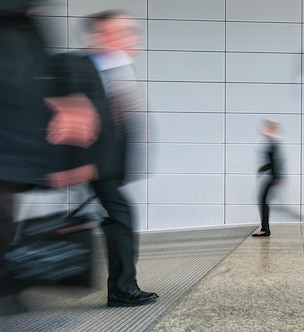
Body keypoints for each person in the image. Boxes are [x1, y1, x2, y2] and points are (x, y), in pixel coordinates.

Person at [49, 10, 157, 307]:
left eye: (130, 31)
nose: (130, 37)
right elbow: (65, 114)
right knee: (120, 218)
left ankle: (122, 287)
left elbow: (124, 117)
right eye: (120, 31)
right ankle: (122, 289)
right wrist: (75, 164)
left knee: (117, 218)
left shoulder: (120, 68)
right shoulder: (75, 66)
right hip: (90, 164)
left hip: (107, 166)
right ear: (97, 36)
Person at [0, 0, 56, 314]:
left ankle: (6, 292)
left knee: (7, 220)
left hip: (14, 150)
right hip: (9, 147)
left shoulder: (26, 26)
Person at [252, 120, 283, 237]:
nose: (262, 130)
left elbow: (276, 161)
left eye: (266, 128)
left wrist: (275, 176)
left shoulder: (273, 142)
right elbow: (273, 162)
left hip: (274, 177)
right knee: (263, 200)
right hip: (273, 176)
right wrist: (263, 169)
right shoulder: (272, 142)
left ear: (271, 130)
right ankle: (265, 228)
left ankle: (265, 229)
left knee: (263, 200)